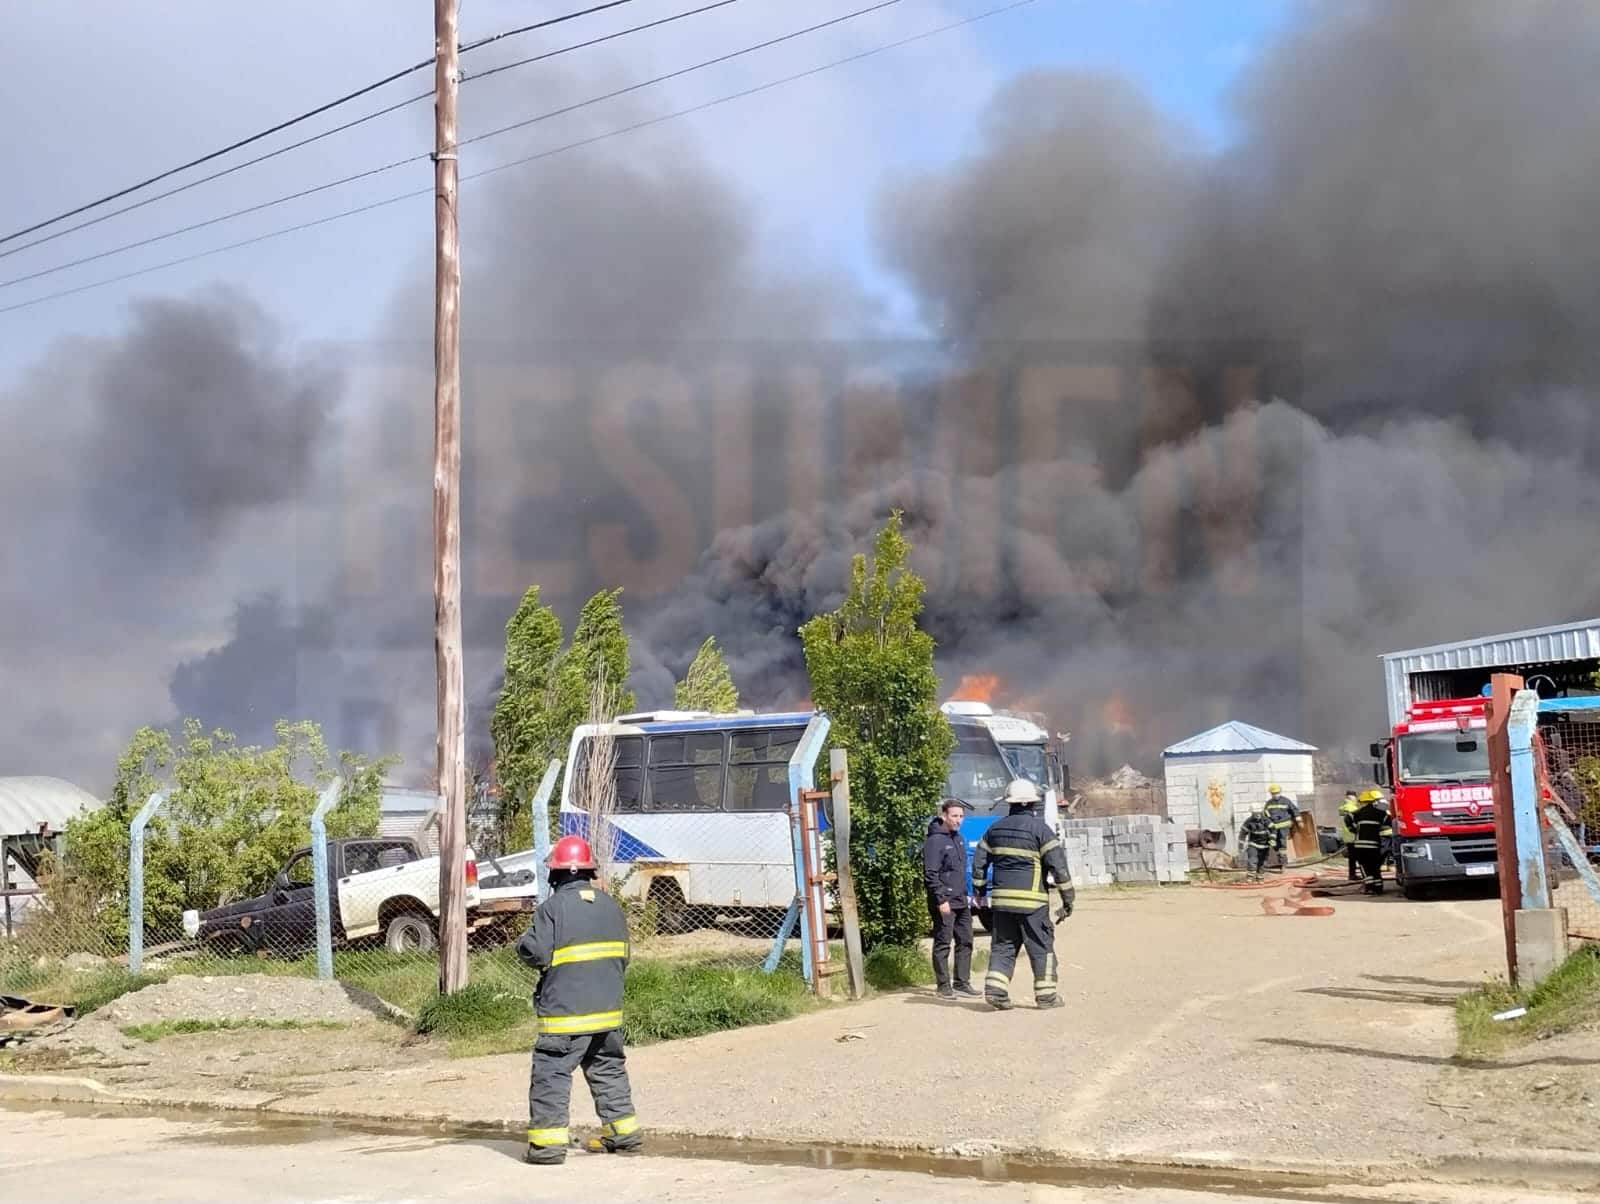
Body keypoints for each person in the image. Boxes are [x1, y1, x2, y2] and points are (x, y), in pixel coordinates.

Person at [516, 834, 641, 1165]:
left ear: (556, 874)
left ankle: (546, 1148)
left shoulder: (552, 909)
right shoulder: (611, 906)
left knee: (551, 1074)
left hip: (566, 1016)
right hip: (608, 1011)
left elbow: (535, 952)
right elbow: (623, 956)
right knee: (608, 1068)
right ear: (589, 872)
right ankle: (623, 1133)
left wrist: (522, 944)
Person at [970, 778, 1073, 1011]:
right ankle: (1046, 997)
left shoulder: (994, 830)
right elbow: (1059, 868)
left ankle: (996, 991)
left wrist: (979, 891)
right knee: (1040, 947)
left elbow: (979, 863)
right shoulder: (1041, 831)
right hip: (1032, 902)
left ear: (1010, 803)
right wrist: (1068, 899)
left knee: (1003, 946)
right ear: (1032, 804)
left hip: (1002, 903)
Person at [923, 797, 978, 999]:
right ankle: (943, 985)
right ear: (944, 815)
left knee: (966, 940)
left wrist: (970, 895)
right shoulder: (935, 841)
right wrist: (941, 900)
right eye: (954, 816)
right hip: (944, 901)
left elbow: (962, 871)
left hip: (961, 899)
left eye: (961, 816)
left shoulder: (958, 838)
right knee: (943, 942)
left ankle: (962, 983)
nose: (958, 820)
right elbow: (931, 874)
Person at [1351, 790, 1393, 895]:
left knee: (1365, 866)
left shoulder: (1358, 812)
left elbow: (1348, 818)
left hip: (1360, 845)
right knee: (1375, 867)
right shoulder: (1382, 813)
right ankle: (1378, 888)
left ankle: (1369, 887)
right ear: (1375, 802)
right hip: (1375, 844)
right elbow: (1391, 822)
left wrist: (1354, 829)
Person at [1262, 784, 1300, 872]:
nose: (1276, 794)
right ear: (1271, 793)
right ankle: (1279, 860)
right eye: (1274, 793)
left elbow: (1294, 809)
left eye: (1277, 793)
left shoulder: (1286, 801)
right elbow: (1265, 815)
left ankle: (1283, 863)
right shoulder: (1269, 803)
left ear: (1280, 792)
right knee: (1274, 844)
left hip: (1284, 826)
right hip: (1273, 828)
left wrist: (1297, 817)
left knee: (1282, 844)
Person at [1238, 807, 1274, 882]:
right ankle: (1250, 877)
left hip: (1265, 845)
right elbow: (1242, 833)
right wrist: (1240, 845)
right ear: (1252, 813)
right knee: (1252, 860)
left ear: (1261, 812)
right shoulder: (1249, 822)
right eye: (1255, 813)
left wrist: (1273, 839)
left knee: (1262, 861)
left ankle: (1260, 876)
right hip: (1253, 844)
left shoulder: (1266, 820)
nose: (1257, 815)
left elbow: (1273, 830)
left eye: (1259, 813)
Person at [1338, 790, 1364, 882]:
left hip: (1346, 836)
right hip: (1354, 835)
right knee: (1361, 857)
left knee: (1352, 857)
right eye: (1355, 797)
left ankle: (1352, 874)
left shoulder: (1341, 808)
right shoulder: (1353, 809)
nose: (1356, 799)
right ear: (1351, 797)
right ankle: (1364, 875)